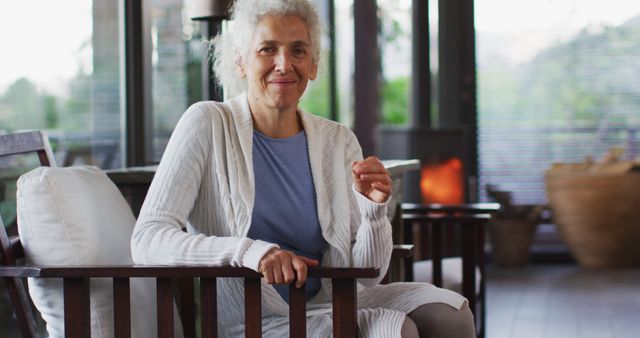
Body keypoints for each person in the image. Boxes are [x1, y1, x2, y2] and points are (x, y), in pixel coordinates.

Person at [131, 0, 475, 337]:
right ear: (240, 61)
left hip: (332, 301)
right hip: (253, 319)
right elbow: (147, 239)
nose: (284, 64)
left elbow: (366, 276)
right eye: (267, 49)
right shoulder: (206, 123)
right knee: (396, 329)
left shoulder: (338, 140)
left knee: (452, 314)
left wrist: (373, 213)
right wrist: (250, 252)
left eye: (298, 50)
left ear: (312, 64)